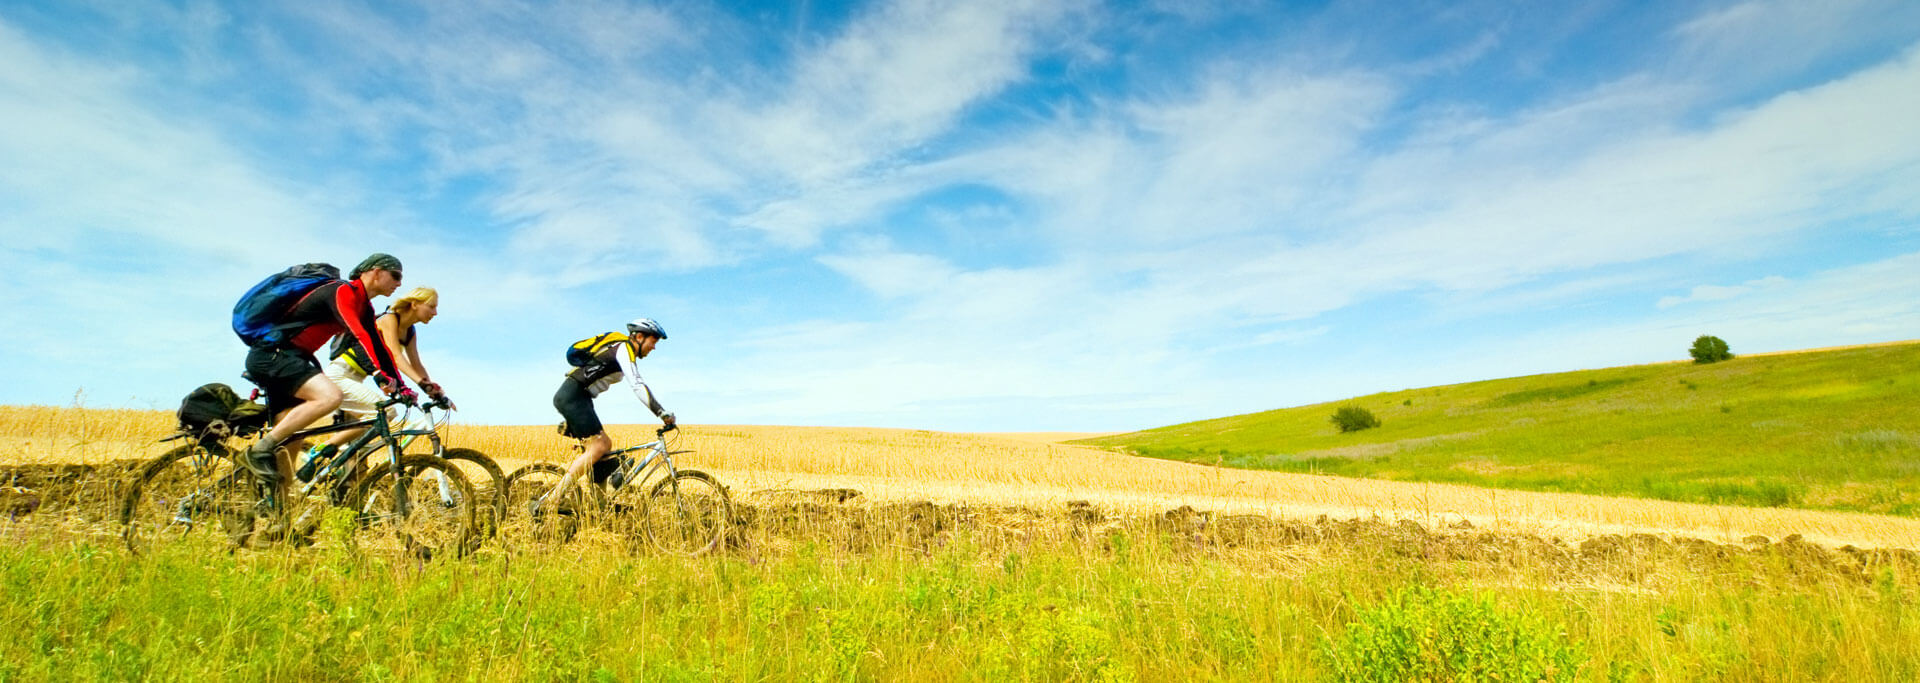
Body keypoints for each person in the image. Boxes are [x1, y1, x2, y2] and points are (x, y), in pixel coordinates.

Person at [241, 254, 409, 492]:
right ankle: (259, 451)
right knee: (330, 397)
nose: (399, 283)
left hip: (292, 358)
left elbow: (380, 347)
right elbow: (360, 336)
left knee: (292, 440)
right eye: (396, 275)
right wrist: (379, 376)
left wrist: (401, 385)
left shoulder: (365, 306)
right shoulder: (342, 291)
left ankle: (280, 514)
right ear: (376, 271)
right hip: (273, 355)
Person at [298, 286, 452, 482]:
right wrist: (420, 384)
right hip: (340, 375)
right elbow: (395, 356)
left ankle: (341, 489)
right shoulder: (389, 319)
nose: (435, 312)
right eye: (431, 306)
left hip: (356, 378)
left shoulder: (410, 331)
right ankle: (323, 449)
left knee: (357, 448)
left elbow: (416, 363)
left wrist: (435, 392)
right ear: (414, 304)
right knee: (386, 413)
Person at [531, 318, 675, 515]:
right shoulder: (624, 349)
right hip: (574, 396)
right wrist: (661, 412)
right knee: (600, 446)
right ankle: (552, 501)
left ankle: (600, 504)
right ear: (639, 337)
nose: (654, 348)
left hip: (578, 398)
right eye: (653, 342)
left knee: (603, 449)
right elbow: (637, 384)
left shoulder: (620, 350)